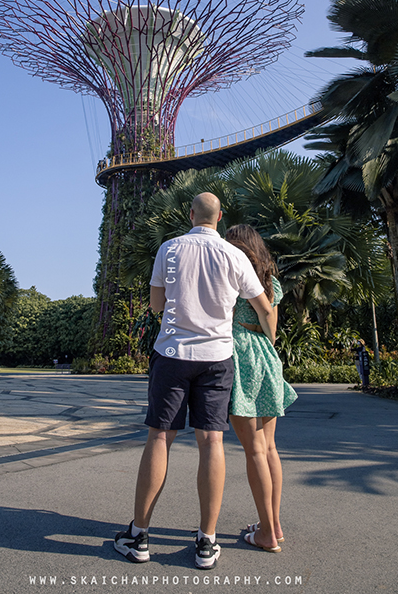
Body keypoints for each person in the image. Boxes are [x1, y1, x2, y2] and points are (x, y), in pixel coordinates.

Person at [114, 193, 277, 570]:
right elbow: (264, 307)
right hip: (217, 358)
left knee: (159, 437)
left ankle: (138, 536)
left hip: (172, 355)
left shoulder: (169, 249)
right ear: (220, 217)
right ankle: (207, 541)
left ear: (190, 214)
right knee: (212, 441)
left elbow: (157, 305)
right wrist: (270, 343)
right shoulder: (236, 256)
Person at [226, 224, 297, 553]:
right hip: (267, 356)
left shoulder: (233, 279)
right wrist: (262, 348)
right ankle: (274, 522)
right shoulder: (272, 283)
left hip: (239, 354)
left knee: (254, 450)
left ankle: (267, 533)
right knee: (269, 448)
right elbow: (272, 327)